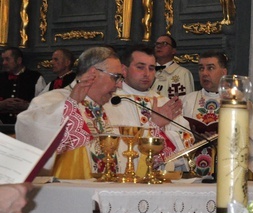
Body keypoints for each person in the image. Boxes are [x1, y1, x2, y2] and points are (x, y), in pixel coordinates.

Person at [15, 46, 124, 179]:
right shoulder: (53, 99)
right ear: (93, 74)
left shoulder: (111, 108)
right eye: (116, 77)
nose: (120, 85)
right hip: (67, 191)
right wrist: (69, 105)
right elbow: (27, 124)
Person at [105, 45, 192, 170]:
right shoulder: (111, 101)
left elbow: (186, 137)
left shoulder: (164, 103)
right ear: (124, 70)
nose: (147, 74)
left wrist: (160, 130)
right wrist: (154, 126)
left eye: (152, 68)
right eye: (140, 67)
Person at [181, 51, 253, 176]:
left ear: (224, 73)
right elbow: (175, 137)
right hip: (193, 173)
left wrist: (224, 140)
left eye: (210, 68)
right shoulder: (187, 101)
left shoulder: (239, 103)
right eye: (201, 68)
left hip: (228, 173)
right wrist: (191, 136)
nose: (204, 73)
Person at [0, 47, 46, 126]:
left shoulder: (35, 77)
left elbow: (44, 106)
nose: (4, 63)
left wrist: (27, 106)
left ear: (19, 61)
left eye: (7, 59)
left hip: (26, 127)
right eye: (3, 60)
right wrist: (1, 105)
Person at [151, 34, 195, 98]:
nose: (159, 46)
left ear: (173, 51)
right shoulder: (148, 71)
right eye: (157, 44)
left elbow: (188, 101)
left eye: (164, 43)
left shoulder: (183, 73)